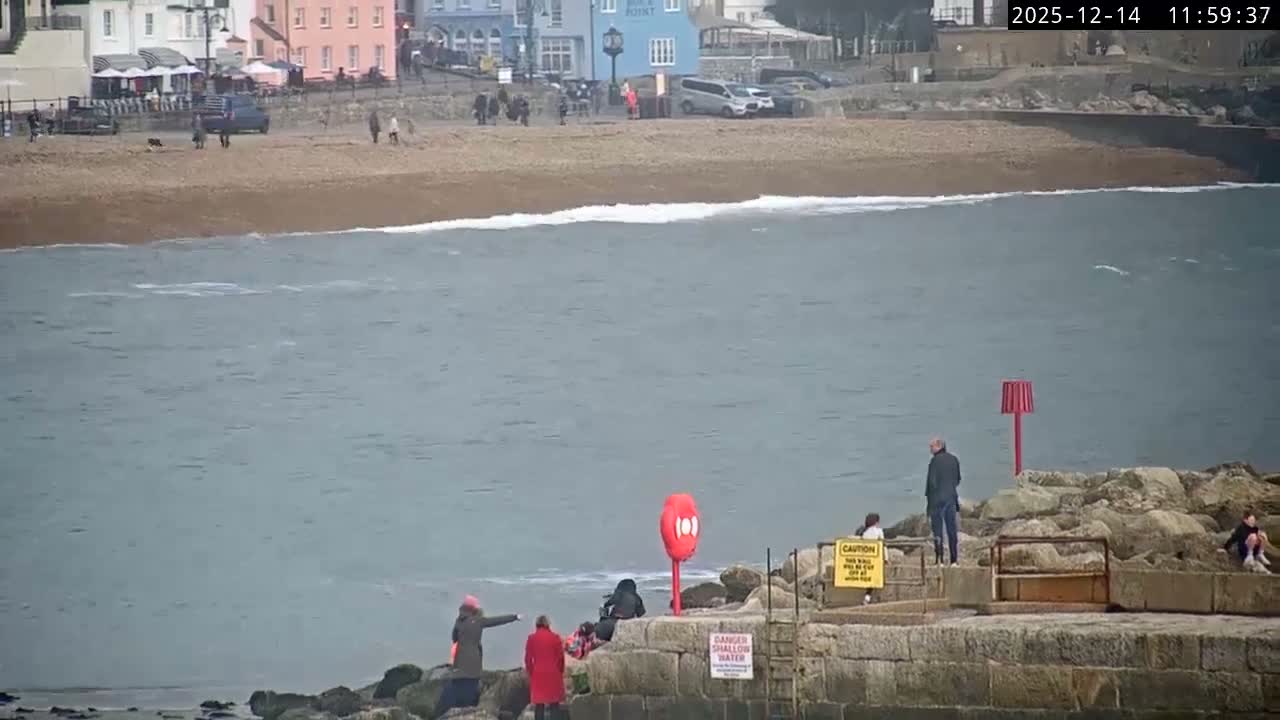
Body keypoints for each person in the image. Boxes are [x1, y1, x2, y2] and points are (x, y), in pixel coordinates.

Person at [434, 595, 521, 717]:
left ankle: (447, 715)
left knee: (455, 694)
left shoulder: (459, 621)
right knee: (469, 697)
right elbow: (496, 621)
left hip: (459, 667)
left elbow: (454, 638)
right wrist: (514, 617)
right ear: (475, 609)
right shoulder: (479, 620)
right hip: (473, 667)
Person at [925, 437, 961, 566]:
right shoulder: (954, 459)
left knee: (938, 530)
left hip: (937, 500)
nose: (930, 449)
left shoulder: (934, 461)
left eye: (931, 447)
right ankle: (954, 560)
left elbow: (931, 483)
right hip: (951, 497)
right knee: (952, 530)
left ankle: (939, 559)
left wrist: (929, 504)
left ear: (938, 446)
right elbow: (957, 479)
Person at [524, 615, 565, 720]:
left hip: (538, 674)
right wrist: (560, 671)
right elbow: (561, 658)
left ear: (536, 624)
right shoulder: (555, 637)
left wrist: (531, 672)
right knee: (554, 704)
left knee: (539, 705)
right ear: (548, 624)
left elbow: (528, 659)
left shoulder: (531, 638)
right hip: (553, 673)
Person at [595, 578, 645, 642]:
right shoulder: (637, 598)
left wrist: (606, 603)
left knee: (602, 611)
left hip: (612, 622)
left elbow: (608, 604)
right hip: (627, 623)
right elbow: (640, 614)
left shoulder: (619, 593)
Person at [858, 512, 885, 605]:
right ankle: (868, 598)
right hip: (876, 558)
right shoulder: (878, 531)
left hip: (867, 559)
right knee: (874, 580)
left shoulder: (864, 533)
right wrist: (886, 558)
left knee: (869, 579)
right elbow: (882, 545)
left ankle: (867, 598)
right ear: (876, 522)